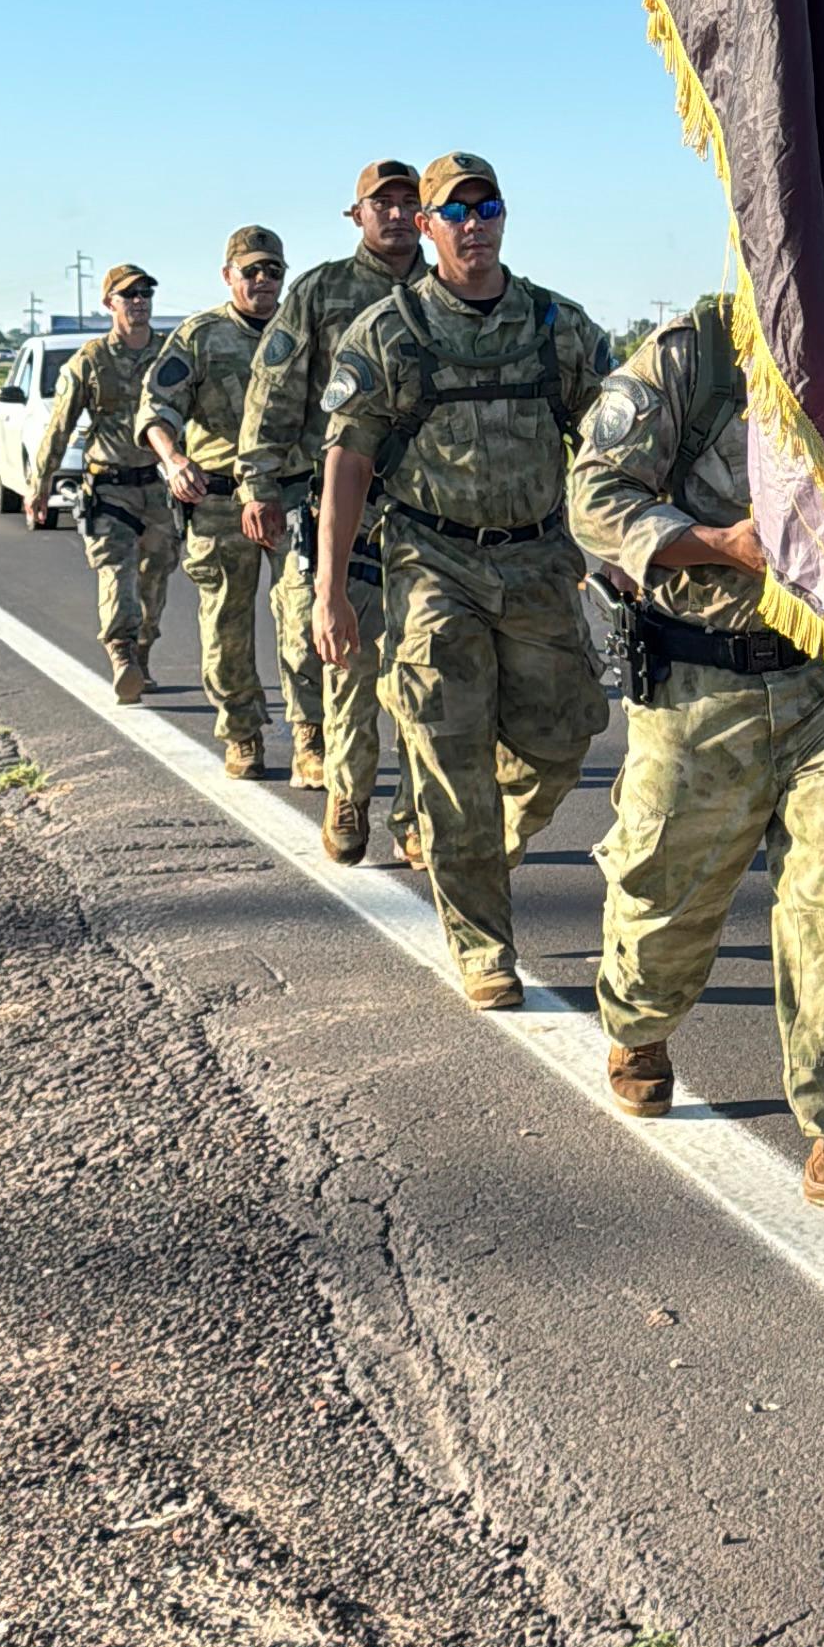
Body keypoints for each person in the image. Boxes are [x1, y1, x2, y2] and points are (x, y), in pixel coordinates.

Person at [568, 300, 824, 1232]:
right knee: (665, 896)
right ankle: (640, 1024)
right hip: (700, 681)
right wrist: (721, 544)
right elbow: (594, 496)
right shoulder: (693, 355)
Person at [312, 154, 610, 1011]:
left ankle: (480, 840)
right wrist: (331, 591)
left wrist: (625, 546)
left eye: (487, 208)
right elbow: (347, 462)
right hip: (432, 564)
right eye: (454, 211)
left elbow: (614, 439)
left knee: (564, 736)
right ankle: (483, 944)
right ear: (428, 227)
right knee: (450, 756)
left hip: (541, 561)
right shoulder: (388, 333)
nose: (473, 224)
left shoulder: (556, 325)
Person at [238, 159, 426, 866]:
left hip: (436, 512)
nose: (397, 214)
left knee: (429, 671)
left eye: (409, 202)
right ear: (358, 214)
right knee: (350, 663)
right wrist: (258, 480)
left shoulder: (449, 288)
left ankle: (415, 814)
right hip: (352, 507)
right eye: (383, 203)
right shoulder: (322, 291)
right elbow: (275, 387)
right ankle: (348, 793)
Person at [141, 228, 293, 778]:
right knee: (227, 622)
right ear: (228, 276)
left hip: (290, 495)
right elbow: (156, 407)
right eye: (251, 271)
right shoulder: (200, 336)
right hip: (220, 500)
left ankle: (312, 732)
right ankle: (243, 732)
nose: (262, 280)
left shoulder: (300, 331)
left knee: (304, 619)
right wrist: (173, 458)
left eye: (273, 271)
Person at [26, 263, 176, 701]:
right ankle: (121, 653)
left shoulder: (170, 356)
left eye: (145, 293)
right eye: (129, 294)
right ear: (109, 303)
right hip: (109, 488)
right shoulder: (90, 361)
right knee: (116, 571)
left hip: (157, 487)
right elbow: (59, 426)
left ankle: (142, 650)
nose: (139, 301)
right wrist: (40, 484)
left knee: (155, 578)